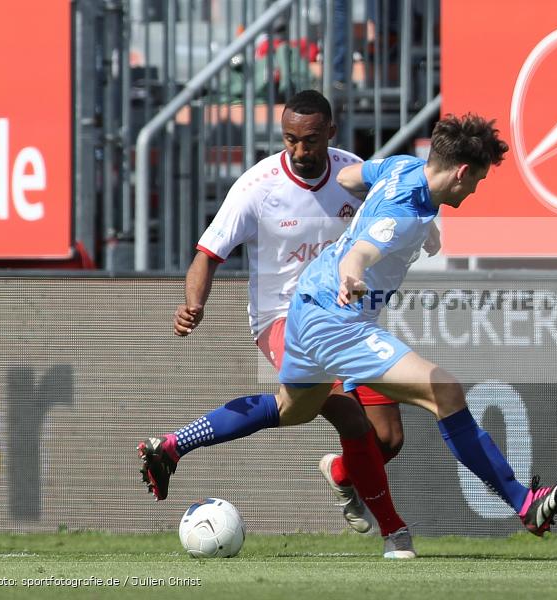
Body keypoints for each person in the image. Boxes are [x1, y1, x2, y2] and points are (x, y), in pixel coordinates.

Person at [137, 90, 422, 557]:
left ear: (330, 133)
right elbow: (207, 254)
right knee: (346, 411)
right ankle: (395, 533)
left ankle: (338, 474)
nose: (299, 151)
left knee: (387, 438)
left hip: (351, 319)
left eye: (310, 141)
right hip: (283, 319)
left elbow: (392, 210)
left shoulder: (355, 174)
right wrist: (194, 305)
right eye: (290, 140)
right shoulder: (257, 186)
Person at [275, 113, 557, 544]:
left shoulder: (402, 168)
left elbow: (347, 176)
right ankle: (523, 506)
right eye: (477, 181)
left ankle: (179, 443)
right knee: (445, 391)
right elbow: (360, 252)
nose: (474, 191)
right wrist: (351, 273)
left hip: (338, 316)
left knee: (379, 435)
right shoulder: (402, 213)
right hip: (339, 320)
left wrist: (392, 220)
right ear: (462, 171)